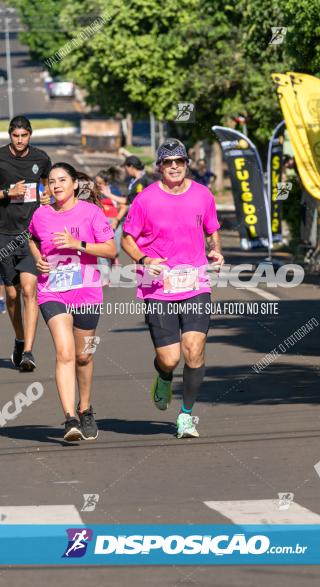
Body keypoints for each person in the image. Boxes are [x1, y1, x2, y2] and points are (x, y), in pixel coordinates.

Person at [121, 139, 223, 439]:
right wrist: (144, 258)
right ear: (159, 167)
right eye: (168, 162)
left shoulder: (202, 195)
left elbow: (212, 230)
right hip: (157, 287)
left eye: (180, 161)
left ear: (187, 164)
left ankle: (187, 415)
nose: (175, 166)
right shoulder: (146, 199)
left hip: (196, 284)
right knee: (170, 358)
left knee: (194, 351)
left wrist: (215, 250)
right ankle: (163, 377)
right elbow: (127, 238)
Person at [28, 162, 116, 441]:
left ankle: (85, 408)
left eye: (62, 180)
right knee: (64, 352)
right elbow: (31, 238)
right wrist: (38, 259)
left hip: (87, 292)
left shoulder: (91, 213)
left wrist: (77, 244)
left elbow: (111, 250)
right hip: (52, 291)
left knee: (83, 355)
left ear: (75, 184)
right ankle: (69, 419)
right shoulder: (41, 215)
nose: (56, 185)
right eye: (51, 181)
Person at [0, 116, 51, 372]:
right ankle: (19, 339)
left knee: (30, 289)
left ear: (30, 135)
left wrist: (48, 198)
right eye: (15, 136)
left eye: (24, 136)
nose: (20, 141)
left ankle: (28, 351)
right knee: (12, 294)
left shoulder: (41, 159)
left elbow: (48, 187)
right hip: (3, 233)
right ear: (10, 136)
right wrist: (7, 193)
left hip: (31, 234)